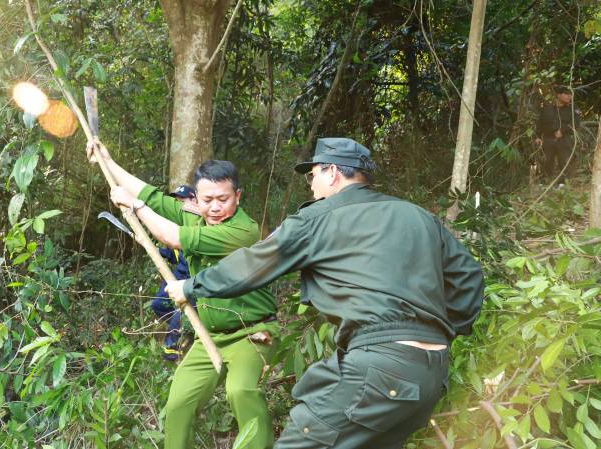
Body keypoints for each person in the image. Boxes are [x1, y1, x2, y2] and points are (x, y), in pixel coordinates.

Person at [166, 138, 485, 448]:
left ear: (333, 172)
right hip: (430, 374)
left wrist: (190, 286)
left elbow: (253, 264)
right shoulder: (420, 217)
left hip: (376, 368)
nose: (310, 184)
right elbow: (469, 279)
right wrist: (438, 333)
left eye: (313, 173)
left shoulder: (317, 217)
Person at [86, 139, 279, 449]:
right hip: (209, 335)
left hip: (250, 332)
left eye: (223, 199)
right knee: (178, 407)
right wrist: (108, 161)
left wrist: (136, 207)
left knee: (240, 391)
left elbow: (171, 236)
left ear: (238, 197)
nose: (215, 208)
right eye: (207, 200)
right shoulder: (196, 211)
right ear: (197, 198)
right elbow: (151, 195)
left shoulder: (242, 231)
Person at [152, 186, 196, 362]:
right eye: (177, 202)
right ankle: (188, 326)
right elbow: (176, 255)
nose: (180, 205)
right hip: (180, 272)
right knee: (159, 304)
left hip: (194, 276)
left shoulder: (200, 222)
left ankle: (171, 350)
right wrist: (158, 251)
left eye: (183, 201)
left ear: (194, 201)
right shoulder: (177, 225)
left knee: (182, 311)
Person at [534, 85, 582, 185]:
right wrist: (537, 137)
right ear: (558, 95)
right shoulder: (547, 108)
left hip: (564, 139)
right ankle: (544, 182)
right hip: (548, 139)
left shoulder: (573, 108)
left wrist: (563, 131)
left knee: (563, 161)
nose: (569, 97)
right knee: (546, 161)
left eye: (570, 94)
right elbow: (539, 124)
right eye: (566, 94)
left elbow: (576, 123)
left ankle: (562, 184)